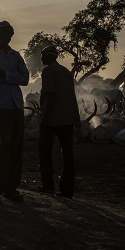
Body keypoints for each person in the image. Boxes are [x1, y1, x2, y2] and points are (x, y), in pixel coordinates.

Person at [0, 20, 30, 203]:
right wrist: (11, 77)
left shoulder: (16, 55)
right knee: (5, 144)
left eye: (9, 33)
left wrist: (5, 75)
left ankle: (10, 188)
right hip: (0, 104)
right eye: (3, 33)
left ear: (11, 35)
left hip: (16, 104)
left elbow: (25, 79)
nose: (6, 36)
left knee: (16, 146)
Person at [37, 46, 81, 198]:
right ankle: (67, 190)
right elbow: (71, 96)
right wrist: (76, 119)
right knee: (68, 154)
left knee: (44, 151)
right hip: (67, 118)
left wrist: (44, 117)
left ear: (49, 57)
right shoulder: (66, 72)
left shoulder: (48, 71)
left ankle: (48, 186)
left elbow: (50, 94)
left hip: (52, 119)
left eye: (42, 56)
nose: (41, 59)